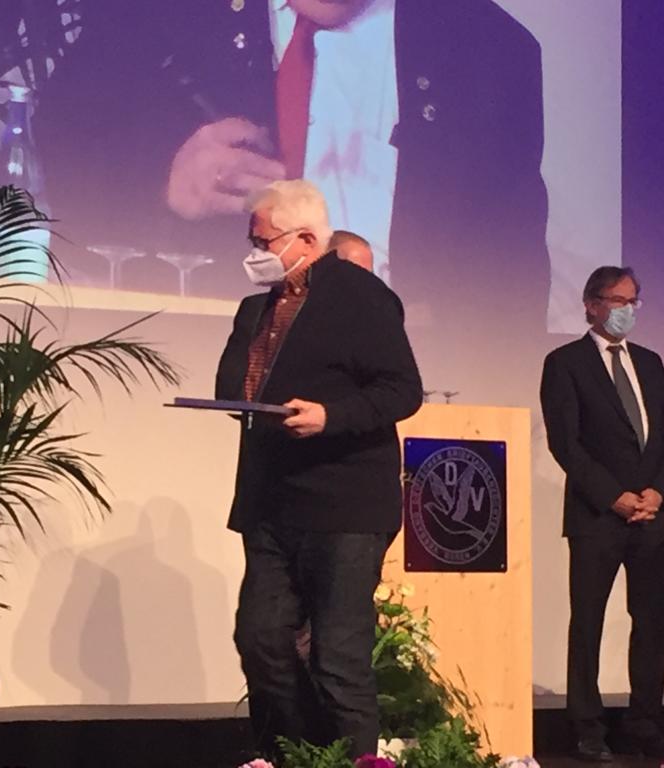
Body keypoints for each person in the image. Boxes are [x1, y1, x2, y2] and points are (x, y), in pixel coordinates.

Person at [35, 0, 549, 333]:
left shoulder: (491, 47)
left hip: (398, 380)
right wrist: (161, 184)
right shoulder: (161, 15)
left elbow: (510, 268)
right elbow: (65, 140)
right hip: (202, 355)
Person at [215, 180, 422, 758]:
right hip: (272, 503)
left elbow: (402, 389)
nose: (254, 251)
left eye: (263, 241)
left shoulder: (360, 296)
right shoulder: (256, 307)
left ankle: (354, 761)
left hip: (343, 505)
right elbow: (234, 387)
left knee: (338, 657)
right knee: (261, 639)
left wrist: (330, 415)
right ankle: (299, 755)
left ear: (306, 238)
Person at [540, 266, 664, 762]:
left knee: (652, 623)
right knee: (588, 621)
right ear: (591, 304)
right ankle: (587, 727)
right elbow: (567, 444)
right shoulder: (565, 363)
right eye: (618, 301)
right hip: (597, 516)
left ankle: (645, 724)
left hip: (652, 518)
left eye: (633, 301)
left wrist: (658, 494)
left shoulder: (650, 362)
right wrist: (614, 497)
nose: (627, 310)